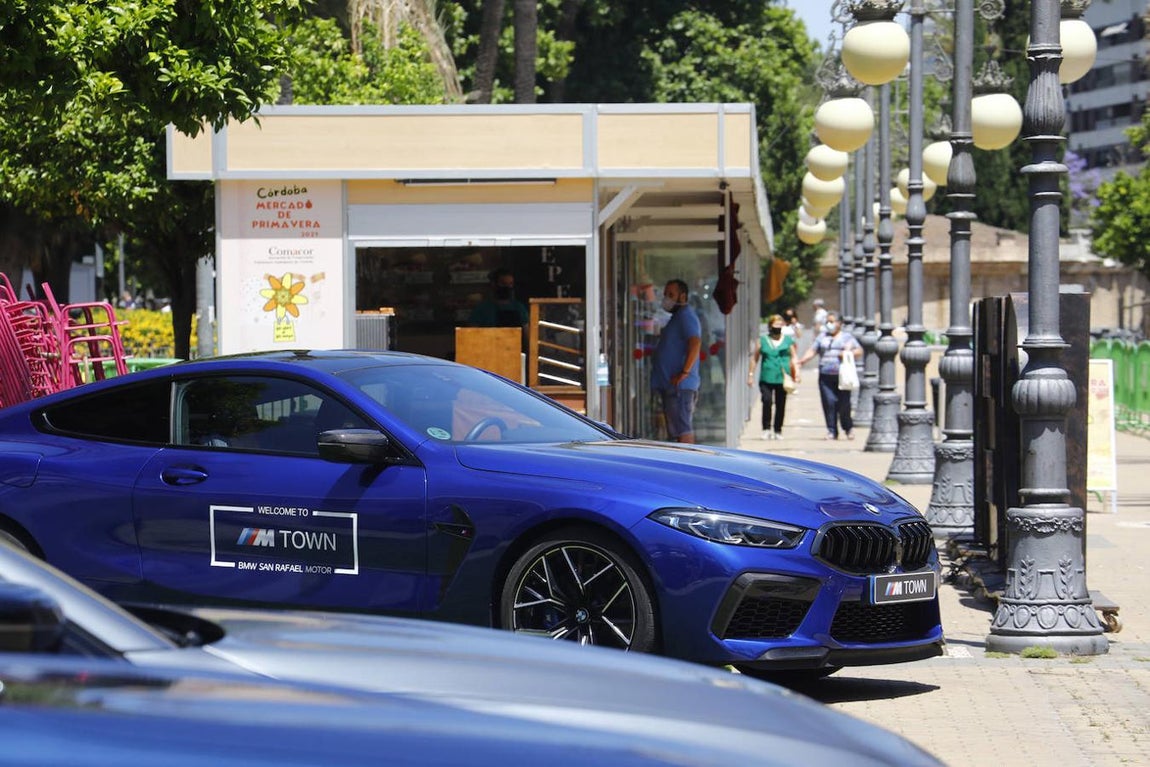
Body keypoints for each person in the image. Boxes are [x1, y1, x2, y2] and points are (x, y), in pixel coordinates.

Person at [797, 311, 861, 440]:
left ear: (839, 323)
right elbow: (813, 350)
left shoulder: (847, 337)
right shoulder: (822, 337)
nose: (829, 324)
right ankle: (831, 430)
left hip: (842, 376)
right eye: (827, 321)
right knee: (829, 402)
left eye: (832, 321)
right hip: (825, 375)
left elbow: (859, 350)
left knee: (844, 403)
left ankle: (848, 428)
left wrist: (849, 353)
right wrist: (802, 361)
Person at [651, 279, 701, 444]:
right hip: (672, 386)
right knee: (677, 431)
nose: (667, 298)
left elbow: (695, 343)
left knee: (683, 431)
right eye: (665, 294)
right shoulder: (677, 318)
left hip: (680, 388)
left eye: (671, 294)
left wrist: (684, 372)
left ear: (683, 296)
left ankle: (688, 466)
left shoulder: (686, 316)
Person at [747, 313, 798, 440]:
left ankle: (778, 429)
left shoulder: (787, 340)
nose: (778, 327)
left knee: (781, 404)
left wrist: (796, 372)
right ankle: (766, 428)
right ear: (770, 326)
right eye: (775, 324)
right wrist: (751, 374)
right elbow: (755, 358)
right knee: (767, 401)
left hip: (782, 377)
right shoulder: (762, 340)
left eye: (780, 325)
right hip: (766, 377)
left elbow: (794, 357)